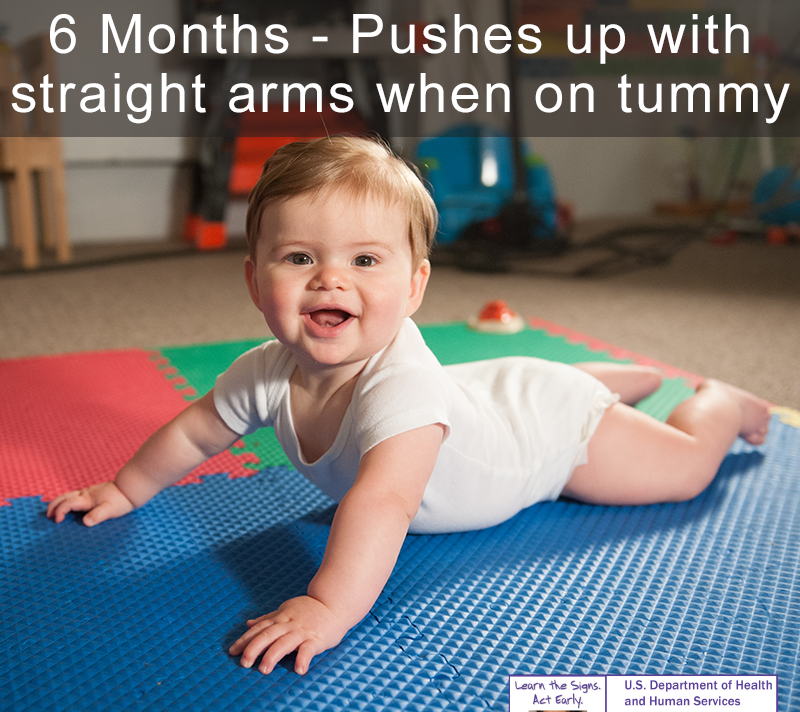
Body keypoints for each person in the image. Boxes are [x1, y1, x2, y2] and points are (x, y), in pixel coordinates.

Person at [47, 137, 772, 677]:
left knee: (678, 470)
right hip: (494, 393)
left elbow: (386, 501)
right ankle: (610, 380)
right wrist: (124, 487)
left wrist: (329, 605)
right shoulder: (264, 370)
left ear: (415, 285)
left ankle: (715, 402)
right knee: (518, 381)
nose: (331, 279)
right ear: (253, 277)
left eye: (366, 261)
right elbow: (197, 428)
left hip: (553, 445)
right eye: (300, 258)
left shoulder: (405, 389)